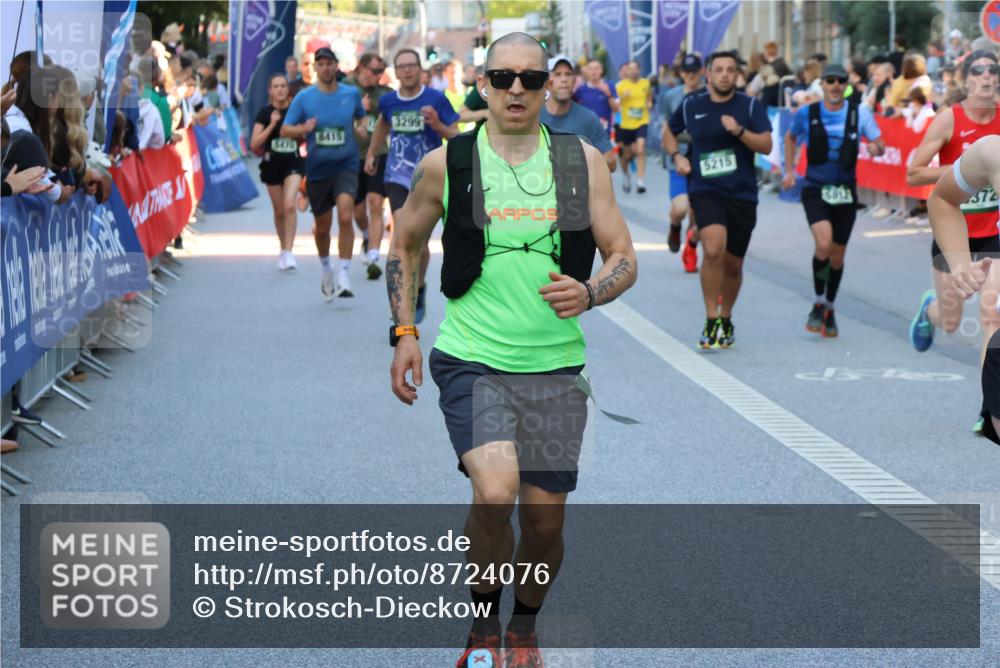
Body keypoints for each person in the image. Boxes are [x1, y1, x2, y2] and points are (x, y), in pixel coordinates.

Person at [385, 32, 637, 668]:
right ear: (483, 84)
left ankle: (522, 629)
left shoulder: (583, 162)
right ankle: (481, 626)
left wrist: (592, 291)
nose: (517, 90)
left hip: (555, 366)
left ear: (550, 82)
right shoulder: (450, 163)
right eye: (503, 78)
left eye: (531, 78)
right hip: (472, 357)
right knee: (495, 493)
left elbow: (624, 258)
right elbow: (405, 245)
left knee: (546, 524)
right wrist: (406, 333)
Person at [907, 50, 1000, 435]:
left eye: (993, 70)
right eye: (977, 70)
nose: (986, 77)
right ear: (966, 77)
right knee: (950, 321)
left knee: (991, 315)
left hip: (993, 234)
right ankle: (929, 312)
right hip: (957, 235)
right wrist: (965, 170)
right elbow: (915, 174)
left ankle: (987, 406)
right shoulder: (951, 120)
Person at [662, 50, 773, 349]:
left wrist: (739, 131)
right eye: (719, 69)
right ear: (708, 74)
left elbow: (766, 144)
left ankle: (726, 315)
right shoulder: (692, 105)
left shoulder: (749, 106)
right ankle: (711, 318)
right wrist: (676, 156)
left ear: (737, 75)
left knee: (734, 263)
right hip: (705, 190)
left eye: (730, 70)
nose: (725, 74)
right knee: (713, 249)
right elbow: (668, 132)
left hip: (742, 193)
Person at [782, 63, 886, 337]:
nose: (836, 86)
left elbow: (879, 142)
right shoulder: (807, 113)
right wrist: (790, 170)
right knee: (824, 244)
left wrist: (875, 147)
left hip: (845, 190)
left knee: (837, 256)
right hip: (815, 188)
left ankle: (829, 306)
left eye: (841, 81)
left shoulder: (859, 112)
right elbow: (791, 137)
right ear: (822, 84)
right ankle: (818, 301)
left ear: (846, 85)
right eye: (830, 81)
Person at [365, 48, 459, 323]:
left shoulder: (436, 99)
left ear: (420, 70)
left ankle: (418, 287)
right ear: (395, 72)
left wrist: (437, 124)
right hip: (397, 175)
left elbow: (455, 135)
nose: (406, 70)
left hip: (429, 177)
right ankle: (403, 298)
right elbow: (382, 127)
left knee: (420, 242)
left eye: (411, 65)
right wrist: (372, 153)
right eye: (401, 66)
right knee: (400, 233)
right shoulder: (389, 102)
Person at [922, 135, 1000, 443]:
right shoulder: (992, 152)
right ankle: (931, 311)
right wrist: (960, 264)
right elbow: (942, 199)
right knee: (987, 317)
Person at [281, 47, 368, 300]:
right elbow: (286, 130)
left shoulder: (351, 94)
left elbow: (361, 119)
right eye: (321, 64)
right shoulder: (304, 98)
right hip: (318, 168)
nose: (326, 68)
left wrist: (362, 129)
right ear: (315, 68)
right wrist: (303, 129)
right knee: (322, 227)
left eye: (329, 63)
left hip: (347, 164)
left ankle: (344, 273)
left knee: (345, 214)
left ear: (336, 66)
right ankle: (326, 268)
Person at [251, 73, 305, 271]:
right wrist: (272, 124)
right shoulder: (264, 113)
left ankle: (290, 251)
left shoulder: (295, 111)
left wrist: (301, 129)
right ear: (270, 90)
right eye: (276, 86)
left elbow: (305, 132)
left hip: (293, 162)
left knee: (289, 204)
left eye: (283, 86)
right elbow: (254, 143)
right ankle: (283, 248)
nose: (280, 89)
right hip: (272, 164)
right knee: (280, 210)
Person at [347, 53, 392, 280]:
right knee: (356, 210)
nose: (378, 76)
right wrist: (358, 110)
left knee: (376, 203)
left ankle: (374, 255)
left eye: (381, 72)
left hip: (378, 153)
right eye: (374, 71)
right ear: (361, 68)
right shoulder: (346, 87)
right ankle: (366, 234)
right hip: (351, 156)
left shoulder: (384, 93)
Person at [661, 53, 705, 272]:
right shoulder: (671, 96)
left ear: (702, 71)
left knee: (699, 214)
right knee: (681, 207)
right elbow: (666, 127)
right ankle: (675, 226)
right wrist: (672, 152)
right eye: (686, 72)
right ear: (680, 73)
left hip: (702, 158)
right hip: (678, 155)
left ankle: (692, 245)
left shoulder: (708, 93)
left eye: (695, 71)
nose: (691, 76)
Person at [541, 54, 615, 173]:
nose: (564, 79)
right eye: (558, 74)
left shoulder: (588, 118)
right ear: (547, 82)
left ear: (574, 81)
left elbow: (611, 163)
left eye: (568, 74)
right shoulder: (532, 116)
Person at [615, 61, 652, 193]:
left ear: (639, 70)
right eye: (630, 69)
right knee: (626, 156)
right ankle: (626, 175)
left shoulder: (645, 83)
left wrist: (649, 103)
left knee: (641, 149)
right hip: (626, 124)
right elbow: (615, 104)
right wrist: (622, 97)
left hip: (642, 121)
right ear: (627, 71)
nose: (632, 71)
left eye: (635, 68)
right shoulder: (620, 86)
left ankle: (640, 182)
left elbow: (649, 97)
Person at [573, 58, 619, 139]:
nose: (594, 72)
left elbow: (616, 109)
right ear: (587, 71)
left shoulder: (609, 85)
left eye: (596, 68)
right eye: (591, 69)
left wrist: (608, 94)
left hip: (604, 132)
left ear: (601, 70)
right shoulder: (581, 90)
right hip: (587, 133)